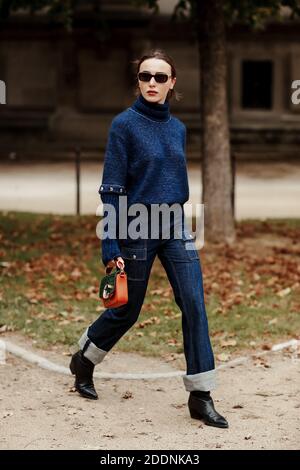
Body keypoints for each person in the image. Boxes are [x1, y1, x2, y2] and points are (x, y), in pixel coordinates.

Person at [70, 49, 228, 429]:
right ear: (137, 81)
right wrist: (111, 244)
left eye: (160, 77)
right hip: (136, 225)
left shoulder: (178, 128)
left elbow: (173, 180)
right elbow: (111, 189)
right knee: (127, 309)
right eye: (145, 77)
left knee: (193, 302)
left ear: (173, 83)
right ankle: (84, 359)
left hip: (173, 223)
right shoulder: (123, 125)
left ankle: (201, 395)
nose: (152, 83)